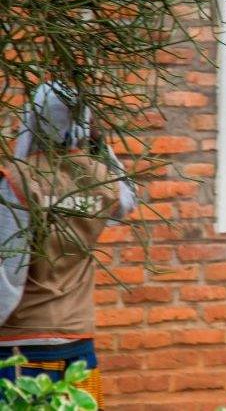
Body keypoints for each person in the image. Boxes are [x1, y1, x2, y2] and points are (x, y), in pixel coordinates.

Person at [0, 82, 136, 407]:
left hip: (21, 347)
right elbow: (128, 199)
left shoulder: (19, 182)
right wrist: (99, 144)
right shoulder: (100, 180)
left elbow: (9, 272)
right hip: (78, 345)